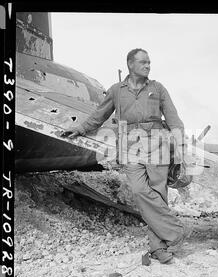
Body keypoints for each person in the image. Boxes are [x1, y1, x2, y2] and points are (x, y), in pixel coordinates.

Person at [62, 48, 190, 264]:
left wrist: (180, 145)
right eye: (143, 62)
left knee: (158, 195)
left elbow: (173, 119)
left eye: (149, 62)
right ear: (130, 64)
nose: (148, 65)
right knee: (140, 192)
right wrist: (81, 128)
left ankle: (159, 248)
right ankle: (176, 230)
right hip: (130, 147)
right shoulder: (116, 91)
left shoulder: (158, 88)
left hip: (157, 146)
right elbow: (99, 115)